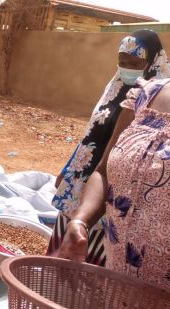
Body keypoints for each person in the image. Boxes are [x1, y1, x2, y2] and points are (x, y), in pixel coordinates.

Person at [49, 30, 170, 266]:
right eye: (122, 61)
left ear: (153, 62)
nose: (126, 67)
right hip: (87, 181)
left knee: (92, 254)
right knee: (66, 239)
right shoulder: (116, 91)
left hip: (116, 195)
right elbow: (92, 133)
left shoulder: (151, 96)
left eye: (134, 63)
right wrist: (69, 169)